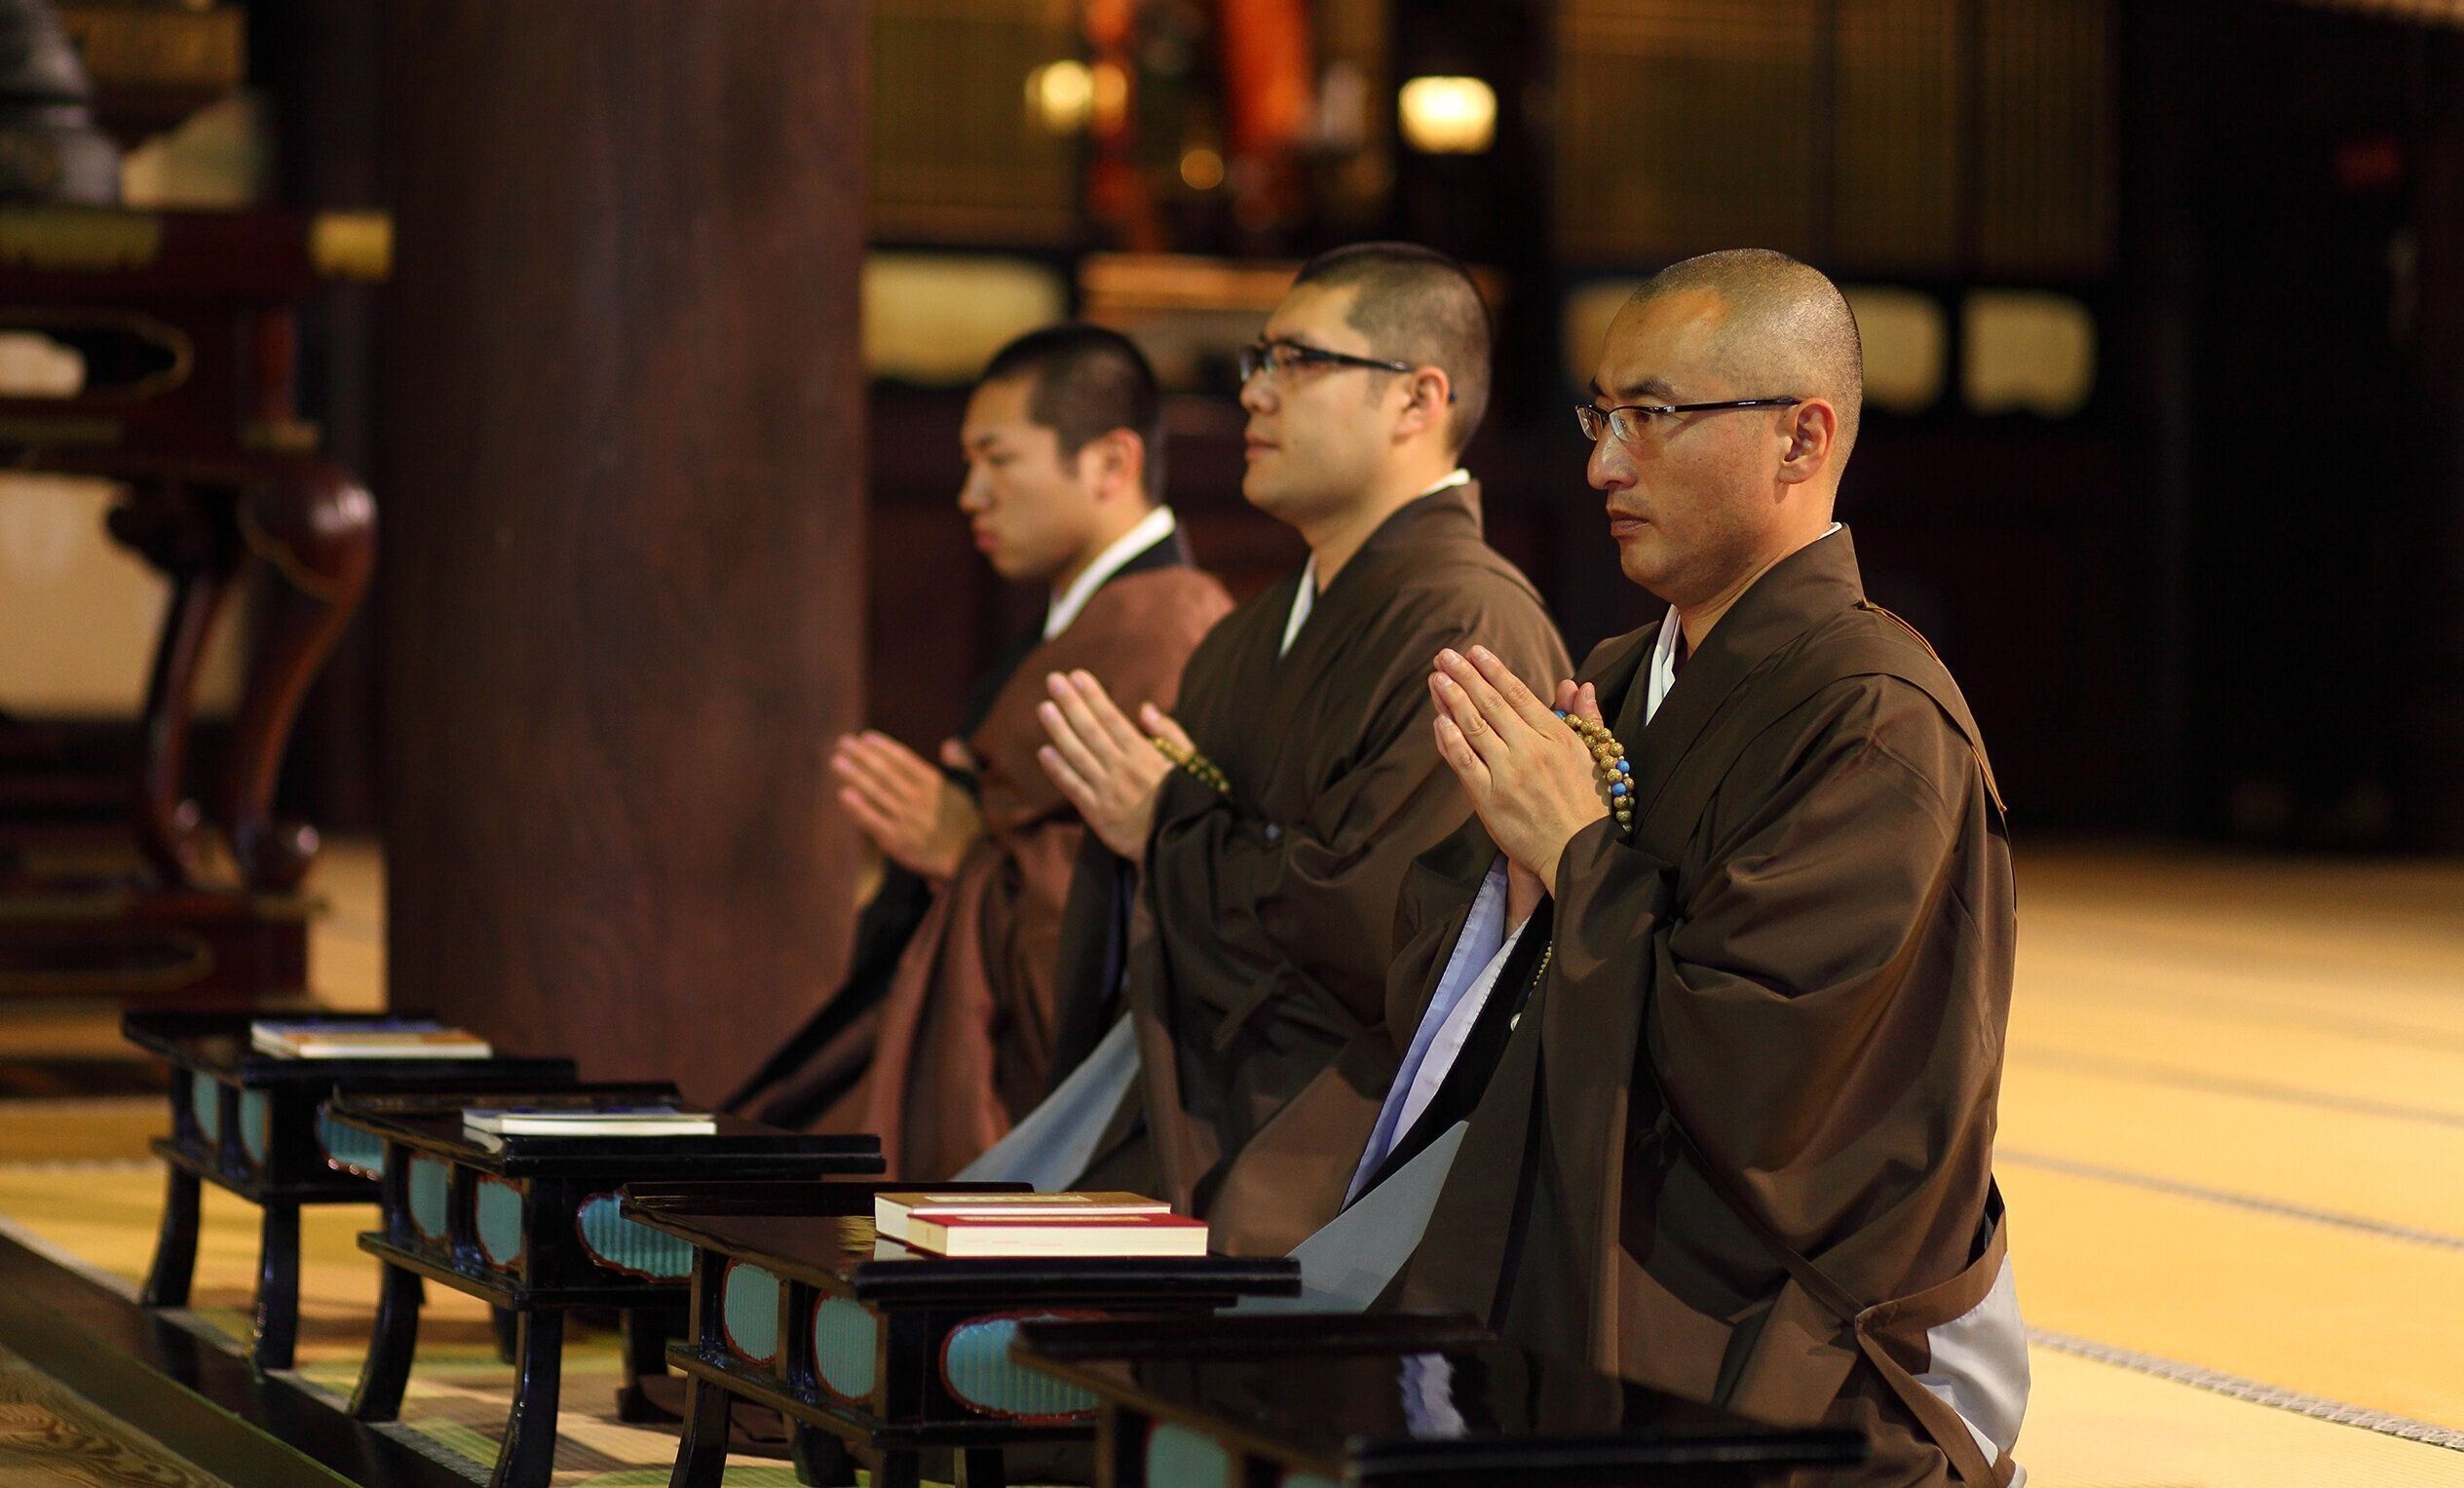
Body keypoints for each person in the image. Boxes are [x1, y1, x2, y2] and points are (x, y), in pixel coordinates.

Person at [1365, 248, 2023, 1485]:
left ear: (1799, 437)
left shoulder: (1878, 718)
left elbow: (1767, 1070)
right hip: (1558, 1280)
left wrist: (1573, 854)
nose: (1606, 463)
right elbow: (1441, 992)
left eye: (1654, 417)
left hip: (1779, 1339)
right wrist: (1514, 901)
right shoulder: (1612, 679)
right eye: (1598, 416)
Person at [1004, 242, 1571, 1254]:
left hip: (1333, 1166)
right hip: (1192, 1117)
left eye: (1295, 362)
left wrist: (1169, 828)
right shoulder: (1241, 639)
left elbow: (1387, 938)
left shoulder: (1467, 627)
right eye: (1254, 364)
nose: (1254, 397)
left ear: (1417, 398)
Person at [726, 324, 1230, 1176]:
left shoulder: (1171, 629)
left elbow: (1140, 902)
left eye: (997, 459)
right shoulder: (1079, 622)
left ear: (1109, 462)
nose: (969, 494)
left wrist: (965, 852)